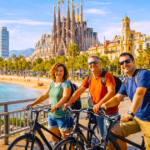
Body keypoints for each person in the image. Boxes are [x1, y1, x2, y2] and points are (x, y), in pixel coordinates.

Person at [101, 52, 150, 150]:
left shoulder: (143, 74)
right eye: (121, 63)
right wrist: (104, 105)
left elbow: (140, 93)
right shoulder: (126, 81)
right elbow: (117, 98)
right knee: (113, 133)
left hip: (148, 119)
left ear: (133, 62)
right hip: (136, 118)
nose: (124, 64)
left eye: (127, 61)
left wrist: (130, 112)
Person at [63, 55, 118, 140]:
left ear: (99, 64)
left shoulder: (107, 75)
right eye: (90, 63)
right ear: (88, 66)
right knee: (104, 137)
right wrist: (68, 103)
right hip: (98, 112)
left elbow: (111, 92)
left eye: (95, 62)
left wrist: (99, 104)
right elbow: (79, 91)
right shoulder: (89, 78)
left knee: (111, 139)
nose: (93, 65)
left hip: (110, 112)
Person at [26, 63, 74, 145]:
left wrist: (57, 105)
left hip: (64, 117)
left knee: (67, 143)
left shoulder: (66, 83)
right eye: (57, 71)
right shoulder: (52, 83)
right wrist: (33, 104)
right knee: (55, 141)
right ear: (53, 72)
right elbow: (44, 96)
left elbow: (65, 96)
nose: (58, 73)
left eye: (61, 71)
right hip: (52, 116)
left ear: (64, 72)